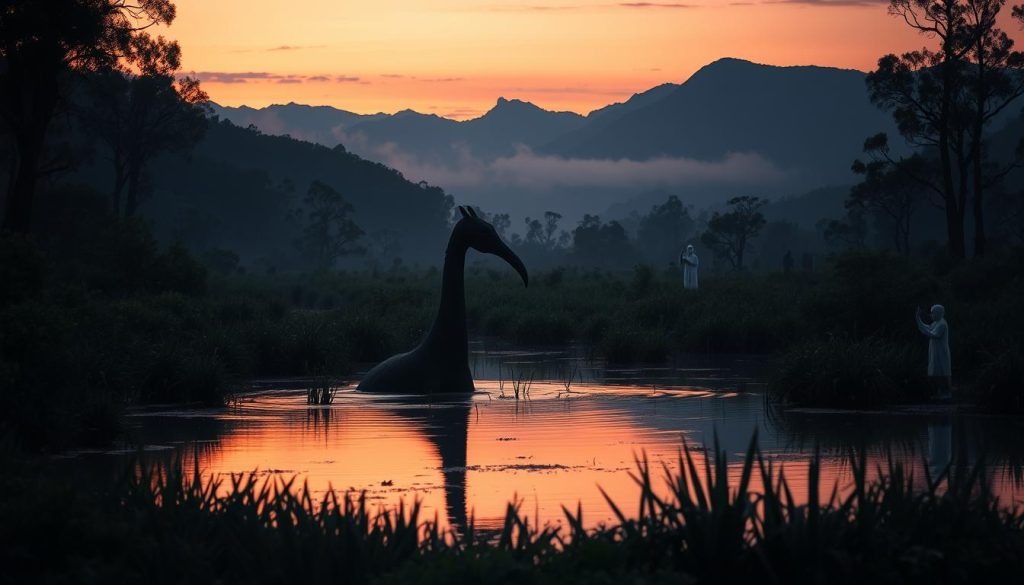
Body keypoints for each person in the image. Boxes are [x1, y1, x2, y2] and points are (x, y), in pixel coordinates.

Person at [916, 304, 951, 400]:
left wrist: (918, 319)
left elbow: (932, 333)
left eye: (933, 313)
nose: (931, 315)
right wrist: (918, 318)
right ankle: (939, 393)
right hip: (936, 352)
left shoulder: (942, 324)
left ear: (938, 313)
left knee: (942, 371)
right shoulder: (936, 323)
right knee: (937, 371)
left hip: (941, 352)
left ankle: (945, 393)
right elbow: (927, 328)